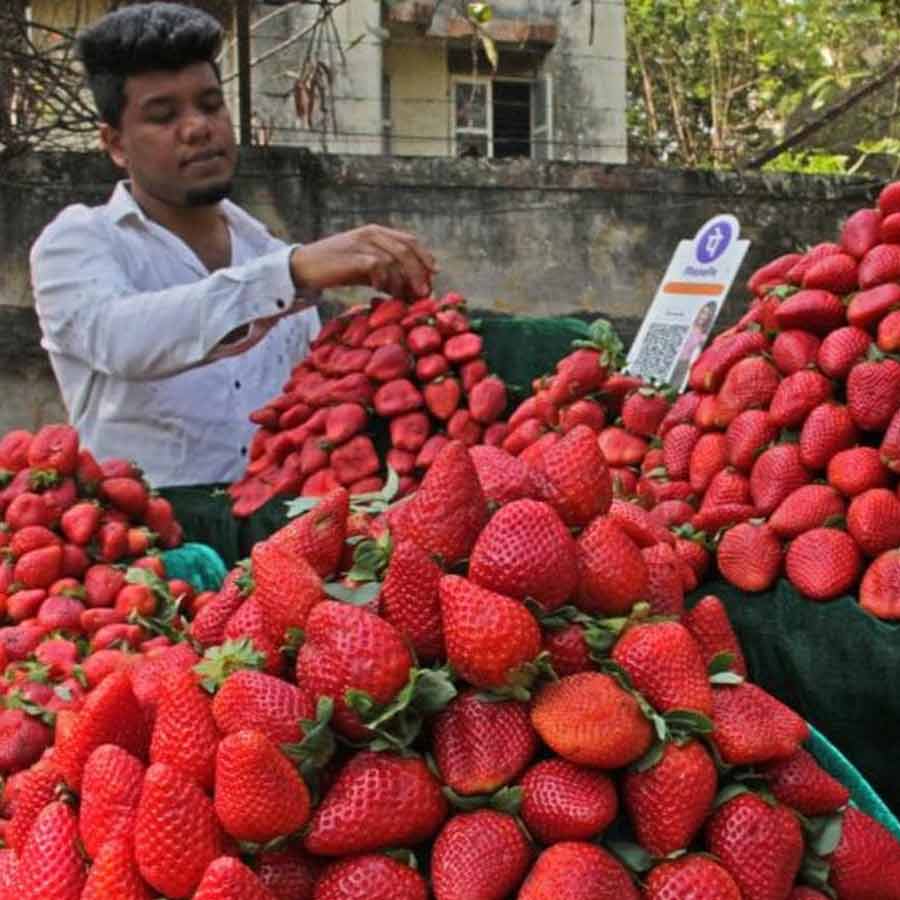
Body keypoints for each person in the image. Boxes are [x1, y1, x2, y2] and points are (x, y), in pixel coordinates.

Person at [30, 2, 437, 488]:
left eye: (209, 104)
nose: (198, 128)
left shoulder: (267, 253)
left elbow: (307, 413)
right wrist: (291, 274)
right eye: (163, 116)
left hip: (272, 546)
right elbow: (121, 338)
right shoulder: (78, 243)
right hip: (140, 548)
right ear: (116, 144)